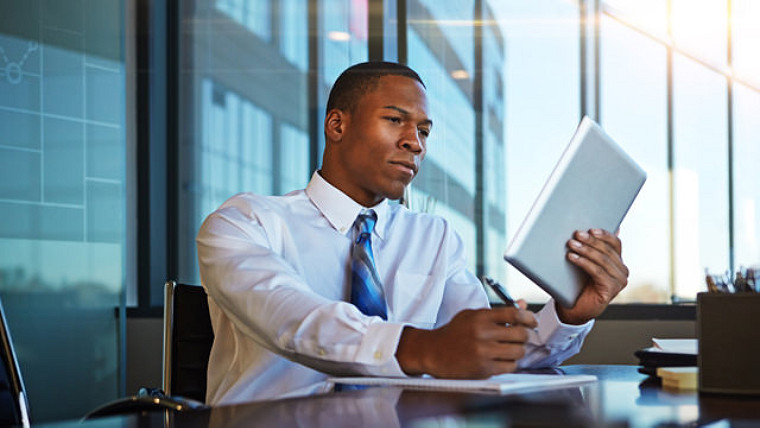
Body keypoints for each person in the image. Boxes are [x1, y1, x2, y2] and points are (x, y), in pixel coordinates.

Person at [196, 61, 629, 405]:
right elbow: (296, 320)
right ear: (337, 126)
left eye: (423, 131)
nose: (415, 143)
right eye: (395, 121)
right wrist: (422, 348)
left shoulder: (435, 237)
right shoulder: (244, 223)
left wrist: (571, 311)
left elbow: (487, 352)